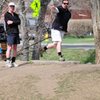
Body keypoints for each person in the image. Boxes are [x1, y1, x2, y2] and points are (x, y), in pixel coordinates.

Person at [4, 2, 21, 67]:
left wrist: (13, 22)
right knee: (9, 47)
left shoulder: (16, 15)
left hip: (16, 32)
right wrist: (15, 22)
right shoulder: (7, 15)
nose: (12, 8)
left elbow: (19, 22)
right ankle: (8, 61)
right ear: (8, 7)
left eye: (13, 6)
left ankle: (13, 61)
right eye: (11, 6)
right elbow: (8, 23)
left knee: (15, 48)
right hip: (10, 33)